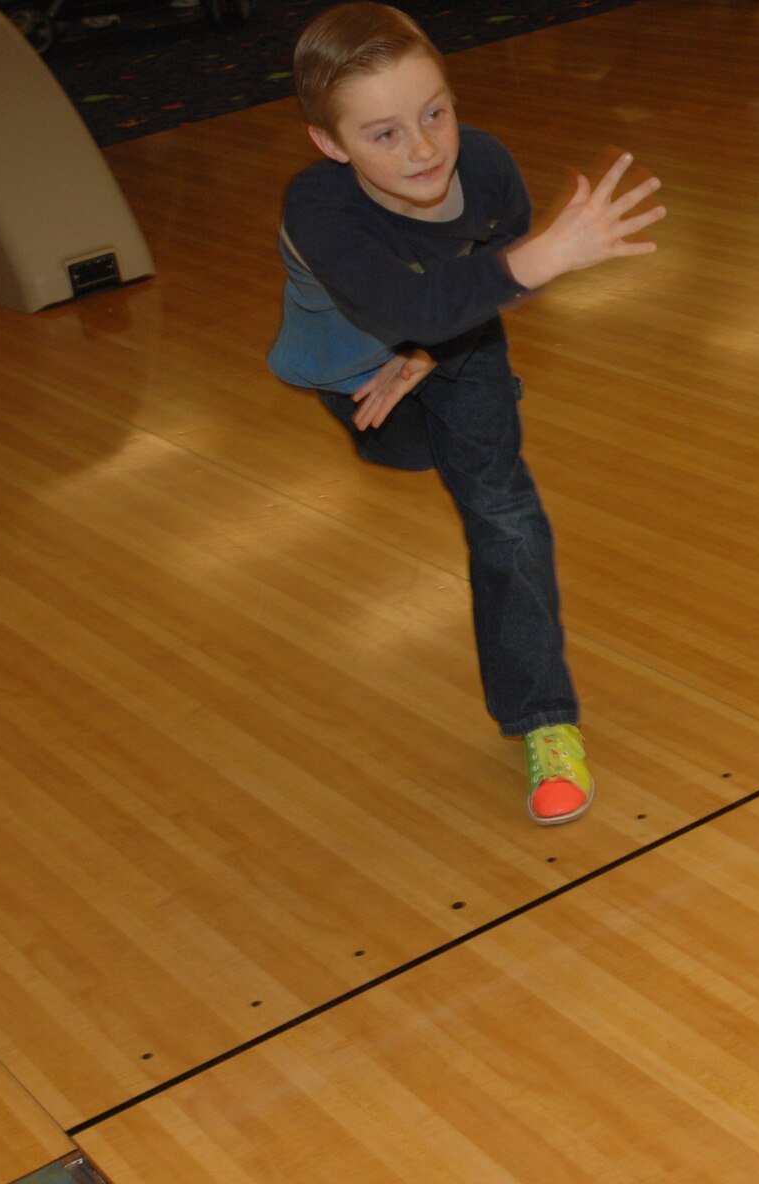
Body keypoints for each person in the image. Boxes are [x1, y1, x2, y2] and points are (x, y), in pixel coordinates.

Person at [269, 1, 664, 825]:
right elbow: (409, 299)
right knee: (406, 453)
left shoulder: (482, 165)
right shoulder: (319, 209)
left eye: (434, 113)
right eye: (382, 134)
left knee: (503, 511)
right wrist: (519, 273)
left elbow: (498, 262)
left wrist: (427, 355)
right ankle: (439, 407)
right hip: (352, 366)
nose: (422, 147)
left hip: (455, 340)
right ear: (331, 143)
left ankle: (544, 723)